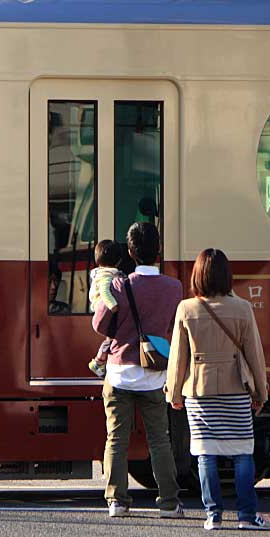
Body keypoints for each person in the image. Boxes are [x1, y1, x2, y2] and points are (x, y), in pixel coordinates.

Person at [166, 248, 270, 531]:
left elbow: (178, 358)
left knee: (205, 453)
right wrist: (261, 393)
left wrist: (174, 394)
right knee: (242, 452)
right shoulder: (243, 309)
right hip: (235, 390)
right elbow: (255, 356)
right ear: (227, 276)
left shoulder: (186, 309)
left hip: (199, 393)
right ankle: (247, 516)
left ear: (197, 276)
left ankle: (213, 514)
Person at [92, 222, 184, 519]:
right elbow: (172, 328)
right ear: (158, 251)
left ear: (130, 252)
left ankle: (117, 501)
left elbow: (99, 325)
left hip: (119, 373)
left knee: (116, 438)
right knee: (159, 439)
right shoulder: (174, 287)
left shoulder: (120, 285)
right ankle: (169, 503)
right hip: (154, 374)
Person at [87, 239, 126, 378]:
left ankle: (99, 361)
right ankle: (98, 362)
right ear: (118, 261)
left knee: (110, 338)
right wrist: (113, 306)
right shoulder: (108, 275)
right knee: (111, 337)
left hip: (100, 308)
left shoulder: (99, 273)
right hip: (105, 310)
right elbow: (104, 291)